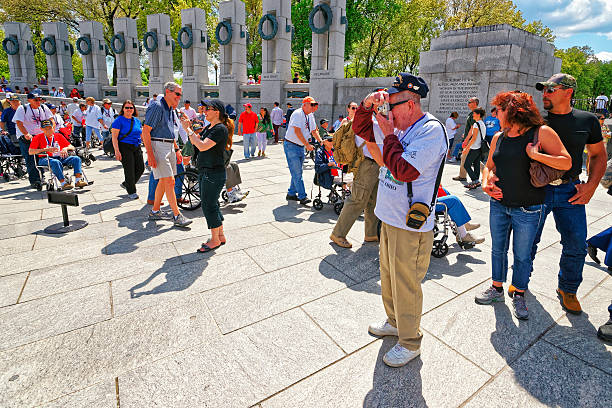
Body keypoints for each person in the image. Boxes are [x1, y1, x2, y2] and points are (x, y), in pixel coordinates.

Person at [352, 74, 447, 367]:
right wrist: (368, 105)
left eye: (392, 104)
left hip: (411, 224)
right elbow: (362, 127)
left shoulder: (430, 131)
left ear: (413, 103)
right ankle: (395, 322)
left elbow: (404, 169)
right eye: (386, 104)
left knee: (406, 283)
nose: (387, 111)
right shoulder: (396, 124)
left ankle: (410, 341)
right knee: (389, 277)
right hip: (389, 216)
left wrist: (389, 133)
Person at [509, 73, 607, 314]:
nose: (545, 94)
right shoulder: (535, 119)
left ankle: (568, 289)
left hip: (569, 190)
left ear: (569, 92)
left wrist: (591, 186)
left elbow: (598, 155)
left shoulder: (588, 120)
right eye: (544, 90)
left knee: (576, 244)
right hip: (535, 189)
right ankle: (521, 282)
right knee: (527, 242)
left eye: (551, 90)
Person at [478, 90, 571, 320]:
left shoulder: (541, 133)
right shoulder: (499, 137)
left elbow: (566, 161)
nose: (495, 114)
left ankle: (519, 293)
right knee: (497, 250)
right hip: (499, 205)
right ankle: (497, 288)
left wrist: (536, 155)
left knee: (522, 255)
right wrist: (485, 182)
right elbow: (489, 165)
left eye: (499, 110)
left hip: (529, 209)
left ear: (513, 110)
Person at [330, 101, 381, 248]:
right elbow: (372, 145)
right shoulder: (369, 122)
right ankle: (338, 234)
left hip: (375, 164)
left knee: (373, 200)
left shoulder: (375, 120)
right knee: (357, 199)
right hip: (368, 164)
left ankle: (371, 234)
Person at [142, 81, 192, 227]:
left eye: (180, 95)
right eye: (177, 94)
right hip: (158, 145)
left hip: (169, 145)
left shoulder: (170, 108)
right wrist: (150, 155)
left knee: (164, 181)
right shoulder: (157, 106)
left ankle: (155, 211)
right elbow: (145, 132)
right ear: (168, 92)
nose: (179, 97)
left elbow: (170, 131)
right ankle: (177, 215)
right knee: (169, 180)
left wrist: (176, 149)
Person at [181, 99, 229, 252]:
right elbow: (199, 143)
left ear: (217, 112)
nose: (205, 110)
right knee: (212, 204)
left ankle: (214, 239)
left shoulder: (220, 129)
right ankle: (219, 235)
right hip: (207, 171)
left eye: (208, 108)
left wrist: (187, 130)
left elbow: (202, 146)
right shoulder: (211, 127)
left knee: (208, 205)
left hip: (213, 172)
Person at [29, 119, 88, 190]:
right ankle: (63, 183)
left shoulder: (58, 135)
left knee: (76, 159)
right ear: (41, 129)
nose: (48, 130)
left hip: (60, 157)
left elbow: (72, 147)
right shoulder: (37, 137)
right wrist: (46, 149)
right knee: (55, 162)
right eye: (45, 129)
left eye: (50, 128)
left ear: (53, 127)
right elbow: (31, 151)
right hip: (45, 158)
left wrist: (65, 148)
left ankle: (78, 180)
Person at [283, 96, 321, 205]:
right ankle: (302, 196)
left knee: (297, 171)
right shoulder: (297, 113)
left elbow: (314, 130)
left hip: (300, 146)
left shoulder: (310, 115)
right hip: (291, 145)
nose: (314, 107)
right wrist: (307, 145)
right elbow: (297, 131)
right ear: (304, 104)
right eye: (312, 104)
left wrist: (321, 141)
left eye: (314, 104)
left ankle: (291, 193)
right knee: (297, 172)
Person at [12, 93, 54, 187]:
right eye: (36, 100)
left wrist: (52, 130)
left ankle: (41, 176)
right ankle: (35, 180)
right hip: (26, 137)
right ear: (29, 100)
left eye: (40, 99)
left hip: (40, 135)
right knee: (30, 158)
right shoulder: (22, 108)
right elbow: (19, 123)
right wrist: (26, 134)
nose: (38, 101)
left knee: (42, 156)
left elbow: (51, 120)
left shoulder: (43, 107)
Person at [111, 100, 143, 199]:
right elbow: (114, 137)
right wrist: (117, 151)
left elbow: (141, 134)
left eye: (131, 108)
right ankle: (131, 191)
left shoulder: (137, 120)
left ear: (134, 109)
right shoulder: (119, 120)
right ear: (123, 109)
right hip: (124, 146)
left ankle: (127, 184)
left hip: (136, 146)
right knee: (129, 170)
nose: (129, 109)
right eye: (127, 107)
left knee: (141, 168)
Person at [453, 97, 478, 181]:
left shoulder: (475, 113)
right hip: (471, 139)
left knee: (464, 157)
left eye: (470, 102)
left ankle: (462, 176)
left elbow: (472, 128)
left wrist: (466, 140)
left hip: (470, 140)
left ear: (475, 103)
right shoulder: (473, 113)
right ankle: (487, 172)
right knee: (474, 159)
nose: (468, 104)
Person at [461, 106, 486, 189]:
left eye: (474, 114)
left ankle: (475, 180)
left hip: (475, 147)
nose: (473, 115)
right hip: (480, 148)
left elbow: (474, 138)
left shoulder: (476, 124)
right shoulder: (482, 123)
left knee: (466, 165)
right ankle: (475, 183)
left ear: (478, 114)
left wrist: (467, 148)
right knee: (476, 165)